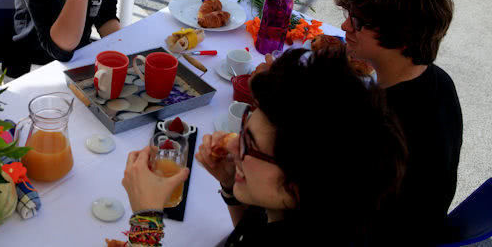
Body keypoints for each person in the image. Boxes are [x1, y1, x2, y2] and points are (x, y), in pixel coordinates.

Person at [119, 47, 406, 246]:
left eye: (250, 145)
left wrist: (146, 219)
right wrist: (231, 185)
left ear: (304, 178)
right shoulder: (315, 216)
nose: (233, 149)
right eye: (244, 128)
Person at [335, 0, 462, 245]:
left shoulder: (381, 120)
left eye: (357, 21)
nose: (345, 26)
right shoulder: (438, 80)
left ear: (400, 37)